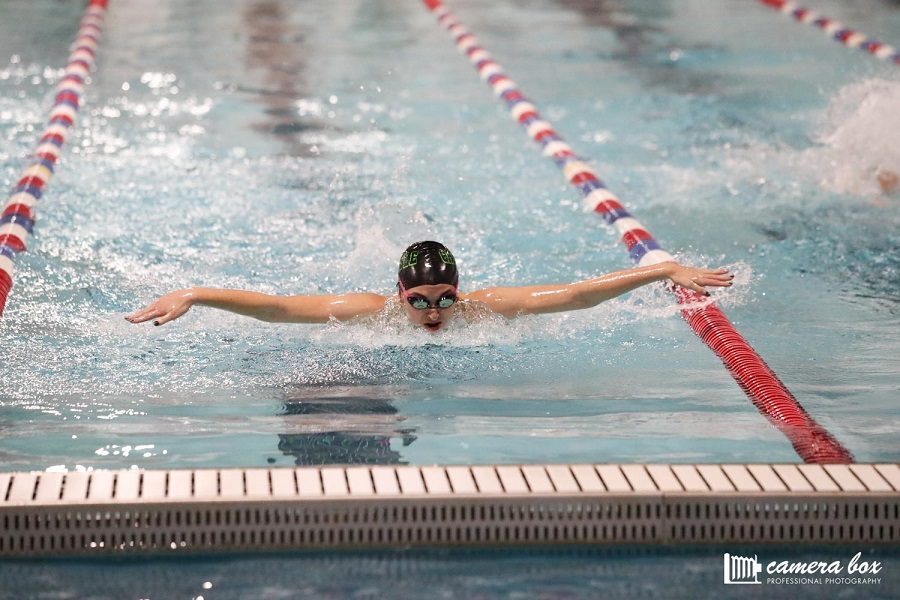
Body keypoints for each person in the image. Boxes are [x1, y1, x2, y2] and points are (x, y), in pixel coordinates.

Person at [126, 240, 733, 333]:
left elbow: (576, 293)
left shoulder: (483, 309)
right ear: (399, 295)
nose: (436, 313)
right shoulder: (372, 312)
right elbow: (282, 308)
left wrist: (660, 269)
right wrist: (196, 292)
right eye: (420, 302)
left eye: (446, 299)